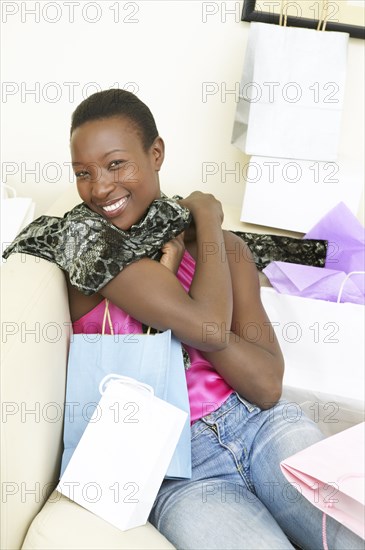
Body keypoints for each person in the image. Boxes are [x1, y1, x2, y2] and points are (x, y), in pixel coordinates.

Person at [4, 89, 363, 550]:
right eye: (83, 174)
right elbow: (210, 329)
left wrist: (206, 247)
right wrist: (210, 220)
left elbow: (266, 385)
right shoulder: (90, 247)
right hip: (177, 469)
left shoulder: (225, 253)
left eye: (116, 164)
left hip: (263, 425)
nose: (99, 188)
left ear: (156, 154)